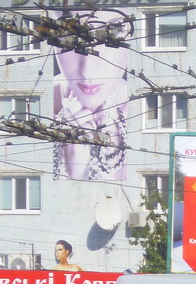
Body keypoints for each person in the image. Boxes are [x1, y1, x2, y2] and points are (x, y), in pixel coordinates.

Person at [52, 13, 129, 181]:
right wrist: (72, 171)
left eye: (111, 34)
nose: (87, 71)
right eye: (69, 35)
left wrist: (112, 163)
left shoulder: (145, 105)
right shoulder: (40, 102)